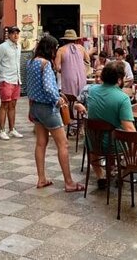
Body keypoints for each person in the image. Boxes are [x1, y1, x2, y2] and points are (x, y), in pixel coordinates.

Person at [27, 35, 85, 192]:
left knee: (41, 143)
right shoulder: (45, 65)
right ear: (50, 48)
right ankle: (69, 182)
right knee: (63, 144)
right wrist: (57, 99)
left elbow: (30, 86)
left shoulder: (31, 62)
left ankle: (41, 179)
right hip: (48, 108)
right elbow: (47, 87)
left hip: (35, 107)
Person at [86, 61, 136, 188]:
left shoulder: (92, 91)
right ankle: (122, 175)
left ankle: (100, 175)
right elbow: (129, 129)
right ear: (120, 79)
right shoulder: (122, 98)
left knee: (97, 141)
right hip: (114, 145)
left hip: (93, 142)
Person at [0, 26, 23, 140]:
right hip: (5, 79)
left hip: (16, 79)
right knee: (4, 104)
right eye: (13, 33)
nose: (16, 35)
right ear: (9, 34)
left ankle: (12, 129)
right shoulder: (3, 47)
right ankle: (1, 130)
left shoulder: (18, 46)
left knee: (13, 105)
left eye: (17, 33)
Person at [55, 29, 90, 97]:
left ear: (64, 40)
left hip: (68, 77)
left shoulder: (61, 50)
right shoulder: (81, 48)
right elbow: (87, 60)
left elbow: (57, 66)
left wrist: (64, 70)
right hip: (81, 76)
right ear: (75, 39)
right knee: (81, 97)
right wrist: (83, 70)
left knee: (69, 98)